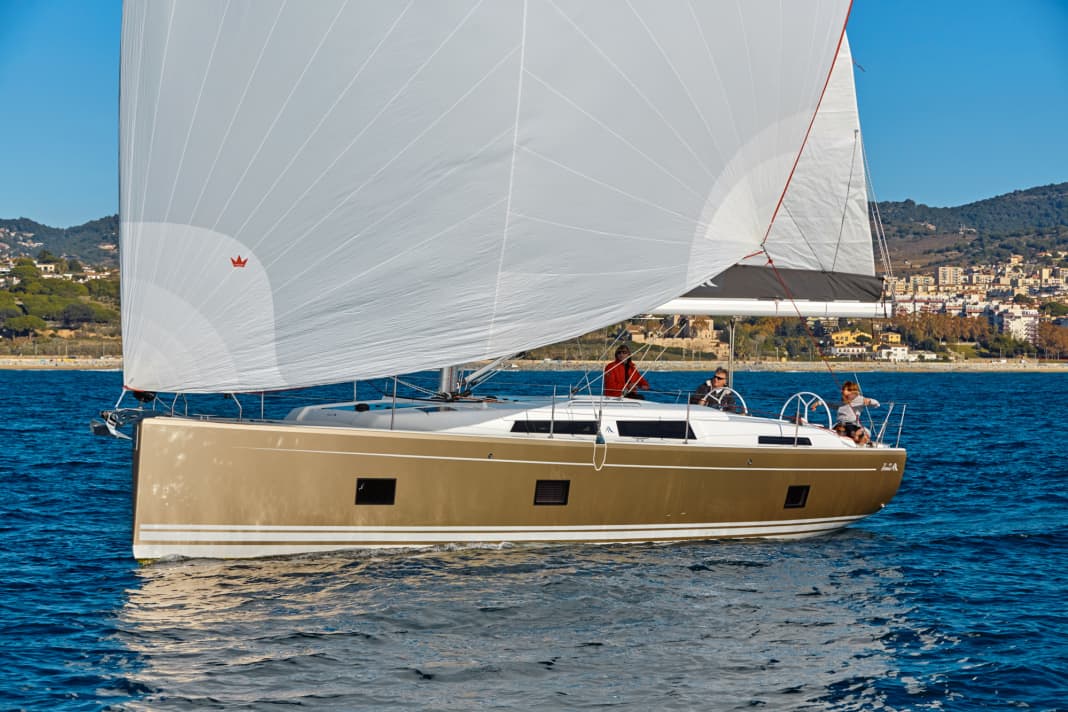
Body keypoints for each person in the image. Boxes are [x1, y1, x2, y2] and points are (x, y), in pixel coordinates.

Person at [835, 380, 880, 445]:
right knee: (832, 431)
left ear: (851, 391)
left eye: (844, 389)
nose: (841, 391)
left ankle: (860, 435)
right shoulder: (842, 402)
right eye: (842, 389)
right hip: (840, 424)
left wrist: (869, 401)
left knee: (851, 433)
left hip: (851, 424)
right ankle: (859, 435)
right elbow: (831, 403)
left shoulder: (858, 399)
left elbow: (877, 403)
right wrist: (819, 403)